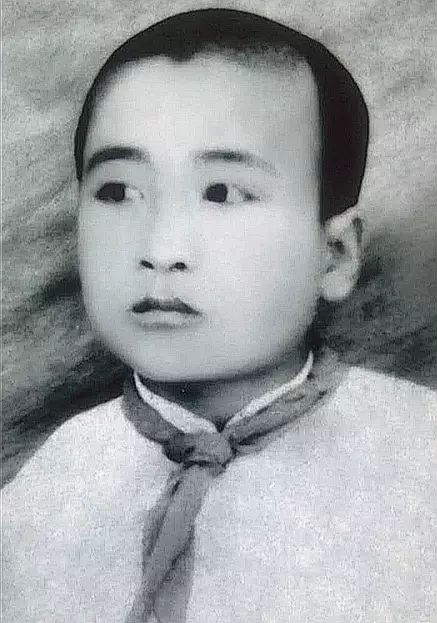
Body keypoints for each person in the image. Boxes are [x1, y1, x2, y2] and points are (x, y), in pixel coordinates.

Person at [2, 9, 436, 623]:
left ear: (334, 255)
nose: (161, 250)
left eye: (222, 193)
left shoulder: (419, 464)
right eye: (119, 192)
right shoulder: (46, 490)